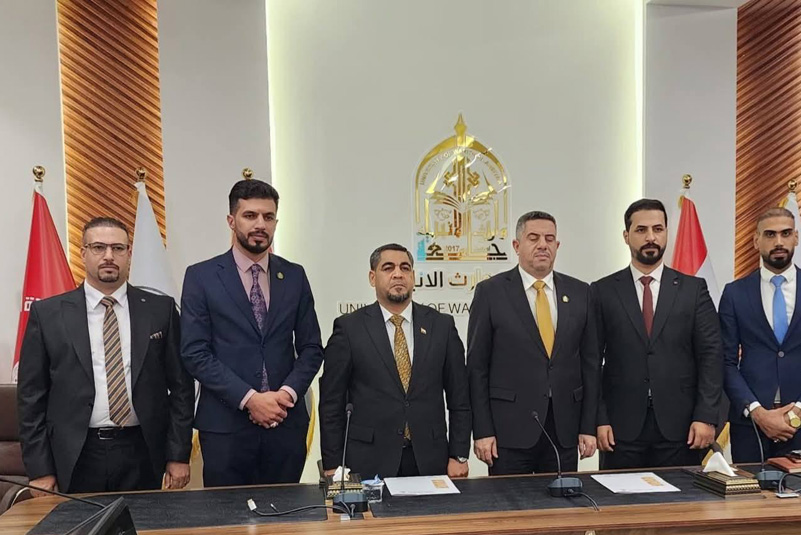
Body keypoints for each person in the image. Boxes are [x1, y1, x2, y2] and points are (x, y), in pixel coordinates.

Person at [18, 217, 194, 495]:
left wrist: (178, 454)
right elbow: (31, 397)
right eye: (99, 247)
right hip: (75, 452)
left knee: (143, 524)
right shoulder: (49, 314)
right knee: (79, 524)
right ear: (83, 252)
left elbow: (182, 388)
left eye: (118, 248)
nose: (109, 256)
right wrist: (40, 470)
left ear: (129, 253)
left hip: (143, 450)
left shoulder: (160, 310)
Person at [180, 179, 323, 486]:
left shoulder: (294, 275)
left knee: (287, 513)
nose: (260, 224)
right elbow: (195, 353)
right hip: (226, 428)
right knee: (228, 515)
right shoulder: (201, 276)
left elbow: (311, 348)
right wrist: (250, 399)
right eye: (250, 216)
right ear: (231, 220)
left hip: (285, 425)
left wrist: (285, 395)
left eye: (268, 217)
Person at [319, 244, 471, 479]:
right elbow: (331, 402)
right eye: (388, 268)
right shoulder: (349, 328)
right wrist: (333, 464)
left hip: (430, 459)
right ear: (372, 277)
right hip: (367, 461)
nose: (398, 274)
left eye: (405, 268)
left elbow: (459, 397)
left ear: (413, 277)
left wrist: (459, 455)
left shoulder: (441, 325)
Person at [592, 199, 723, 469]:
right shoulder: (602, 291)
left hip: (683, 427)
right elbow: (591, 360)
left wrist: (706, 416)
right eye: (641, 230)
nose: (650, 237)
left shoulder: (693, 289)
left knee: (681, 497)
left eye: (658, 229)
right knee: (621, 497)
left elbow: (711, 355)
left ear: (666, 233)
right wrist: (599, 418)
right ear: (626, 236)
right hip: (620, 429)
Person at [467, 211, 599, 475]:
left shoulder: (580, 292)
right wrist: (482, 431)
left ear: (557, 246)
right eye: (533, 238)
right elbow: (476, 367)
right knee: (510, 501)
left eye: (549, 239)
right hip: (509, 430)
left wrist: (588, 426)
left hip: (563, 429)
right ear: (517, 246)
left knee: (562, 500)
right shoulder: (491, 292)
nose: (542, 245)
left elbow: (591, 363)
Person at [719, 207, 801, 462]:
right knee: (750, 487)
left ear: (796, 238)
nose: (778, 242)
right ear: (756, 240)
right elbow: (725, 362)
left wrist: (799, 412)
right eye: (770, 234)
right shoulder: (735, 293)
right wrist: (758, 412)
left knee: (798, 487)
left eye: (785, 234)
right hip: (750, 422)